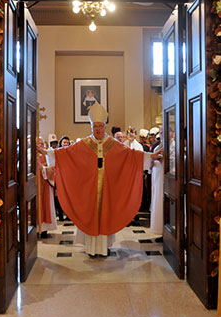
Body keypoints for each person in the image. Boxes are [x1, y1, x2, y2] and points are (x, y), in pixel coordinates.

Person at [47, 103, 162, 257]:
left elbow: (131, 155)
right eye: (95, 126)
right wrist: (48, 153)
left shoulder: (113, 144)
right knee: (90, 214)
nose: (98, 129)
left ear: (105, 126)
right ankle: (91, 249)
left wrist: (149, 156)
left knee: (106, 214)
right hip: (89, 190)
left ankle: (104, 247)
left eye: (101, 126)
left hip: (107, 189)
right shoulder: (84, 144)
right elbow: (65, 154)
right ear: (91, 127)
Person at [36, 136, 57, 238]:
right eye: (38, 144)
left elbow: (54, 170)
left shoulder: (48, 156)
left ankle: (44, 229)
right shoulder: (29, 155)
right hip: (34, 186)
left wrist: (42, 168)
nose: (40, 146)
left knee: (46, 205)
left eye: (42, 143)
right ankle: (35, 229)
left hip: (45, 184)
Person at [150, 126, 164, 241]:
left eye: (163, 131)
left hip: (163, 178)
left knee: (161, 202)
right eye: (160, 132)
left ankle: (165, 231)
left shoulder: (173, 145)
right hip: (156, 176)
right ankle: (159, 230)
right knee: (156, 201)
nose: (161, 134)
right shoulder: (158, 146)